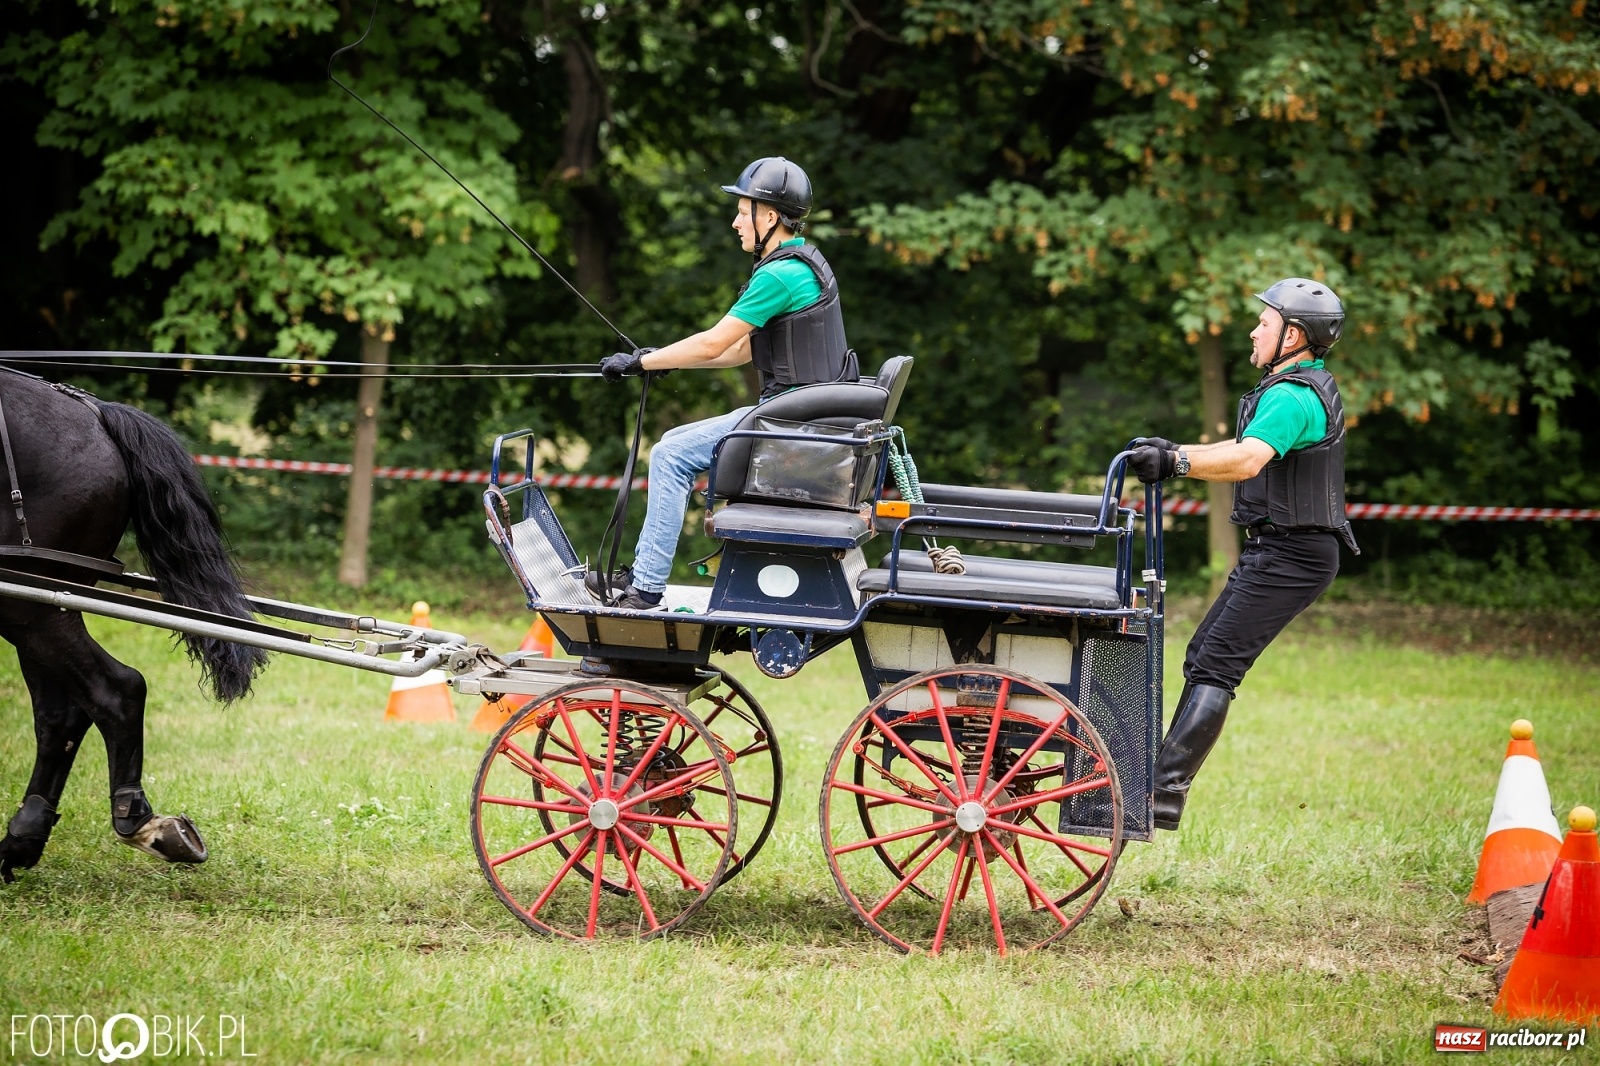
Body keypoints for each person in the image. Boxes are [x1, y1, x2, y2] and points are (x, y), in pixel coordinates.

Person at [1128, 278, 1359, 831]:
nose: (1254, 331)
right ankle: (1156, 786)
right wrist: (1174, 451)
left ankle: (1159, 793)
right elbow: (1235, 449)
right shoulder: (1288, 390)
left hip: (1295, 554)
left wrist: (1176, 463)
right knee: (1204, 654)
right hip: (1281, 548)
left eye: (1265, 322)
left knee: (1216, 664)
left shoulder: (1292, 396)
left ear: (1292, 336)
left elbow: (1247, 460)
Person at [587, 157, 857, 609]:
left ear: (768, 216)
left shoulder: (779, 274)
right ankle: (643, 572)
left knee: (670, 456)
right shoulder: (802, 265)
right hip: (798, 415)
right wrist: (660, 361)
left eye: (742, 210)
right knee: (672, 442)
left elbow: (715, 343)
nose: (735, 222)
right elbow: (738, 351)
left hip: (791, 424)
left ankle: (646, 587)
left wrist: (642, 362)